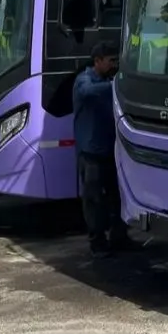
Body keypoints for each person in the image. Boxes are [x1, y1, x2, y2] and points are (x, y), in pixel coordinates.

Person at [74, 40, 133, 257]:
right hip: (91, 155)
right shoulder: (85, 80)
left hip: (112, 151)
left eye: (116, 61)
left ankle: (119, 237)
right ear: (97, 61)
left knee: (118, 198)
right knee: (94, 200)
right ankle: (97, 242)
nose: (113, 65)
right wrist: (118, 85)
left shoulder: (108, 80)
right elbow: (89, 92)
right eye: (110, 61)